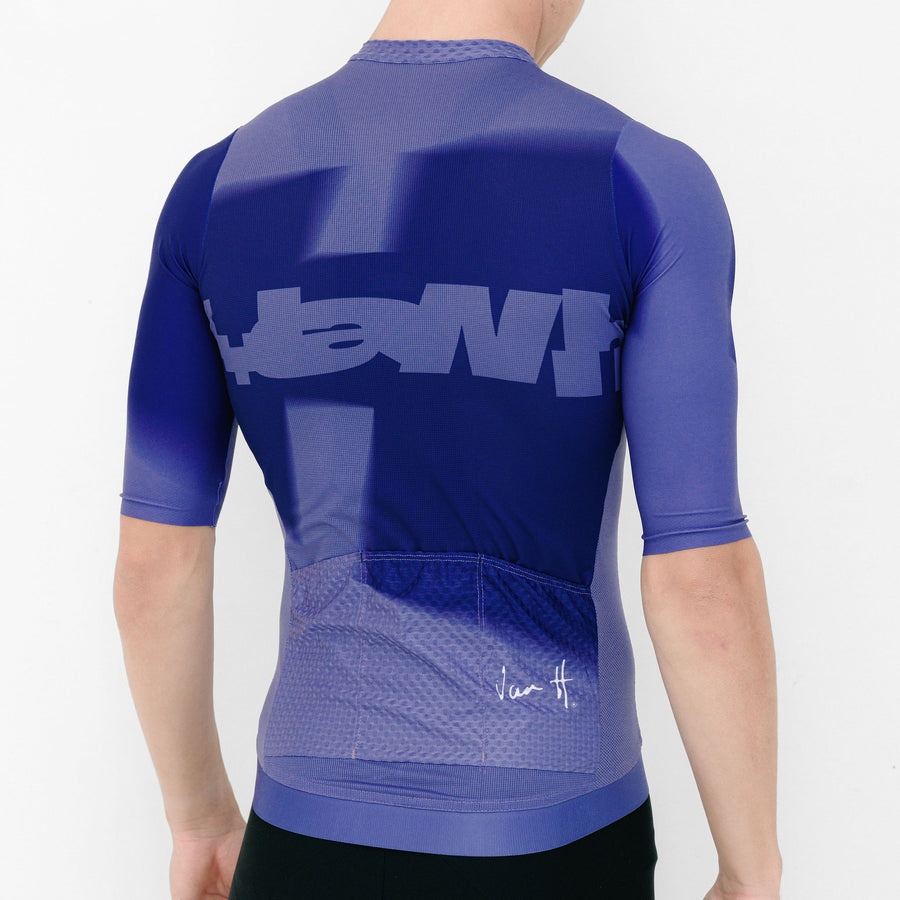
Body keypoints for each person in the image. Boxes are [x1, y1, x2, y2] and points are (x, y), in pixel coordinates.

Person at [112, 0, 782, 897]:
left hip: (304, 838)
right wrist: (749, 871)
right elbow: (701, 579)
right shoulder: (644, 180)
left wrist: (200, 821)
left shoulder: (218, 187)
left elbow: (154, 564)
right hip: (555, 839)